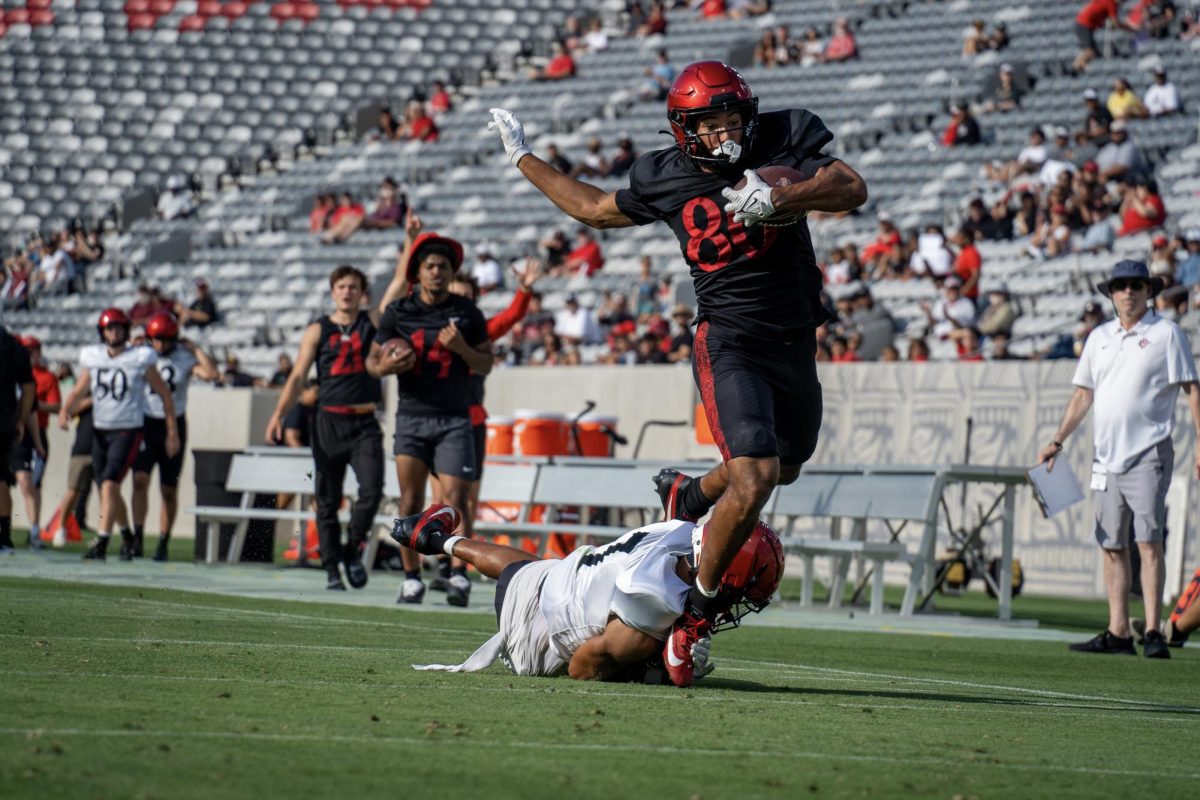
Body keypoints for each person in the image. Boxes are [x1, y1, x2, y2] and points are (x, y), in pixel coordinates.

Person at [486, 60, 866, 674]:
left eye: (733, 119)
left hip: (794, 337)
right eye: (710, 123)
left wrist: (782, 195)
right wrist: (524, 158)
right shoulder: (665, 175)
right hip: (730, 340)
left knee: (786, 468)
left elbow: (851, 187)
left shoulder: (784, 136)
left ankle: (688, 493)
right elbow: (593, 207)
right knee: (756, 478)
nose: (726, 133)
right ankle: (694, 618)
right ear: (685, 130)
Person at [395, 503, 783, 686]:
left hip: (563, 576)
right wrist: (659, 670)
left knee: (531, 571)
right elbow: (583, 666)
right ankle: (437, 539)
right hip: (535, 638)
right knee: (528, 578)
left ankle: (436, 538)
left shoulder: (682, 531)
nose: (734, 604)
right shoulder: (654, 603)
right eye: (738, 594)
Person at [1036, 260, 1200, 659]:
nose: (1128, 292)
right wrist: (1057, 440)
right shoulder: (1099, 337)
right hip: (1105, 456)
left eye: (1136, 285)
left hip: (1149, 451)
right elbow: (1083, 395)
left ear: (1149, 291)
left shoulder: (1166, 334)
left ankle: (1155, 631)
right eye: (1121, 286)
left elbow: (1192, 391)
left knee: (1148, 540)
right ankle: (1118, 631)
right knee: (1111, 543)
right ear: (1110, 293)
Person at [366, 230, 493, 606]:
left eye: (443, 267)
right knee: (408, 498)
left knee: (454, 500)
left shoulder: (467, 313)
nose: (437, 272)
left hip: (454, 418)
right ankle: (411, 578)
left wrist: (461, 348)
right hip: (412, 417)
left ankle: (456, 573)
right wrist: (387, 366)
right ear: (418, 273)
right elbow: (372, 364)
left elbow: (485, 363)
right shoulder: (398, 312)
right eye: (430, 266)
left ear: (451, 272)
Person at [265, 259, 405, 592]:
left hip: (364, 421)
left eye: (353, 287)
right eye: (341, 287)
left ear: (362, 294)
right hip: (328, 420)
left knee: (372, 490)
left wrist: (410, 240)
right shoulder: (318, 329)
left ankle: (351, 548)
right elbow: (298, 375)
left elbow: (399, 282)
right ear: (333, 292)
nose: (347, 292)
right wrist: (278, 414)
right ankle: (331, 567)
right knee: (326, 499)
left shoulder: (370, 321)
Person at [59, 309, 178, 561]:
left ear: (126, 330)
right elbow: (79, 390)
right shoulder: (94, 358)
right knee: (106, 487)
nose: (114, 332)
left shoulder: (140, 358)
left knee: (111, 484)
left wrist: (172, 431)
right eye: (109, 328)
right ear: (102, 332)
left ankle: (102, 543)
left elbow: (165, 395)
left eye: (118, 328)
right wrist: (65, 411)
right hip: (100, 429)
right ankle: (126, 535)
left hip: (128, 430)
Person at [130, 312, 219, 561]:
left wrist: (196, 349)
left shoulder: (184, 357)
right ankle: (137, 537)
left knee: (168, 488)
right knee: (139, 480)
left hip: (174, 424)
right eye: (155, 339)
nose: (160, 345)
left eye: (165, 339)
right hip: (146, 420)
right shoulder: (143, 354)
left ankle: (162, 542)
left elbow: (212, 374)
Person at [10, 336, 56, 548]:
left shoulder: (38, 377)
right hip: (10, 432)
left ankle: (34, 531)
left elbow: (32, 413)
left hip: (25, 435)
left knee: (28, 483)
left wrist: (37, 442)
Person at [0, 326, 36, 554]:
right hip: (6, 422)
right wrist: (21, 420)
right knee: (1, 478)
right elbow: (29, 388)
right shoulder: (15, 346)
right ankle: (4, 537)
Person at [1073, 0, 1135, 73]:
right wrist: (1128, 28)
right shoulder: (1112, 4)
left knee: (1092, 53)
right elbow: (1115, 23)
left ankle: (1079, 68)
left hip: (1082, 24)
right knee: (1090, 52)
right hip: (1084, 25)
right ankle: (1076, 67)